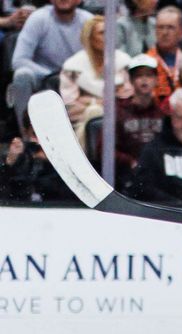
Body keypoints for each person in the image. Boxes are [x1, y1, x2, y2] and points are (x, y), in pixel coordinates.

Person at [8, 0, 92, 137]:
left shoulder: (88, 20)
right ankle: (28, 138)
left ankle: (85, 140)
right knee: (22, 75)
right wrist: (53, 75)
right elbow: (19, 60)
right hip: (45, 76)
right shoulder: (39, 18)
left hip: (77, 78)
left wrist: (73, 77)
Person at [59, 16, 132, 141]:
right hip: (82, 121)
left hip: (121, 117)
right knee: (94, 112)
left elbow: (128, 97)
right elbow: (70, 105)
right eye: (102, 33)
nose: (108, 37)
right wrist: (99, 103)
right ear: (90, 38)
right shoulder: (72, 67)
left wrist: (87, 99)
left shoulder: (124, 62)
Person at [115, 53, 166, 185]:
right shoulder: (118, 111)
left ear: (156, 80)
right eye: (139, 76)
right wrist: (130, 161)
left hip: (159, 172)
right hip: (127, 173)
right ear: (131, 80)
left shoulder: (164, 112)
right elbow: (104, 149)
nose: (144, 80)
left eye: (149, 75)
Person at [0, 117, 76, 202]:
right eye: (36, 134)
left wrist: (53, 163)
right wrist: (10, 165)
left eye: (48, 136)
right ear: (25, 133)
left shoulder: (71, 160)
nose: (41, 142)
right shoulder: (16, 159)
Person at [145, 5, 182, 103]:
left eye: (170, 27)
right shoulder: (146, 62)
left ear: (181, 32)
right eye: (160, 27)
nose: (164, 32)